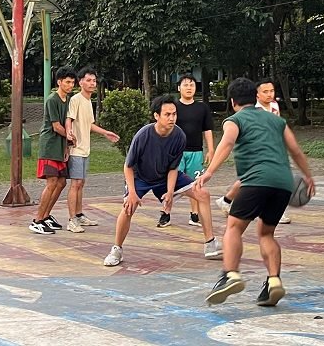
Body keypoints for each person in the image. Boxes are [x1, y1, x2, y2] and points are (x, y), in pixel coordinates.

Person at [197, 77, 315, 306]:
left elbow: (227, 143)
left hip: (255, 181)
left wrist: (209, 172)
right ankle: (274, 281)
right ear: (255, 97)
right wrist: (308, 176)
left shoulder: (235, 119)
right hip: (283, 184)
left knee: (233, 227)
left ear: (232, 102)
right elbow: (296, 151)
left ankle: (230, 275)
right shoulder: (275, 120)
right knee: (266, 233)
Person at [103, 94, 222, 266]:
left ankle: (210, 244)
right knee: (129, 207)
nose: (172, 118)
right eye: (167, 114)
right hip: (140, 177)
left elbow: (174, 168)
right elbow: (127, 166)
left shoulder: (179, 136)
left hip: (164, 176)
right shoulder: (143, 135)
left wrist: (170, 192)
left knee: (203, 194)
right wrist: (132, 193)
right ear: (156, 116)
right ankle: (117, 249)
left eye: (174, 114)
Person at [215, 78, 292, 224]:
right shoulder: (250, 109)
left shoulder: (274, 106)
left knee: (256, 179)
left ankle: (226, 200)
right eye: (265, 92)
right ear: (256, 95)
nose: (269, 94)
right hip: (254, 152)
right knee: (259, 179)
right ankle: (265, 211)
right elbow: (228, 142)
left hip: (270, 151)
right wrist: (210, 171)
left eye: (272, 91)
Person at [65, 66, 120, 233]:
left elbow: (89, 125)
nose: (92, 83)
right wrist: (68, 133)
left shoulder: (88, 101)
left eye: (94, 80)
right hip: (75, 150)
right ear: (80, 82)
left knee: (81, 183)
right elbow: (69, 119)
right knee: (75, 184)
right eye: (88, 80)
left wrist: (106, 133)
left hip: (85, 149)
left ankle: (79, 215)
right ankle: (71, 219)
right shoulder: (75, 99)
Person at [157, 74, 215, 228]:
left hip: (196, 152)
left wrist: (211, 149)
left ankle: (194, 215)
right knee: (173, 184)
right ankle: (165, 213)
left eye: (192, 85)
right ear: (179, 88)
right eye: (185, 85)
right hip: (177, 153)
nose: (189, 88)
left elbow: (207, 129)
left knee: (195, 185)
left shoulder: (202, 108)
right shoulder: (173, 108)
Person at [29, 66, 77, 235]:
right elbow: (57, 127)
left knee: (62, 182)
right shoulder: (52, 100)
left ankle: (46, 215)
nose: (71, 85)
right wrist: (71, 138)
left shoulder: (69, 100)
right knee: (52, 183)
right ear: (59, 82)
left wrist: (67, 146)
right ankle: (37, 220)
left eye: (72, 82)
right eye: (67, 82)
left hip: (60, 145)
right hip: (50, 145)